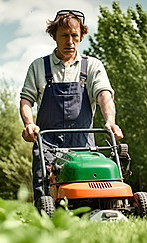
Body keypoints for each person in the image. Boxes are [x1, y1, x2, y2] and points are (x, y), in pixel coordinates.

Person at [20, 9, 123, 203]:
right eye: (64, 36)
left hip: (83, 146)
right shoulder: (38, 67)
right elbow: (26, 99)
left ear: (81, 36)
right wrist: (28, 123)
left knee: (89, 197)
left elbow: (104, 95)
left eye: (74, 36)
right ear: (54, 37)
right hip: (47, 145)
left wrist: (110, 121)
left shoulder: (92, 66)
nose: (70, 42)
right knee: (46, 198)